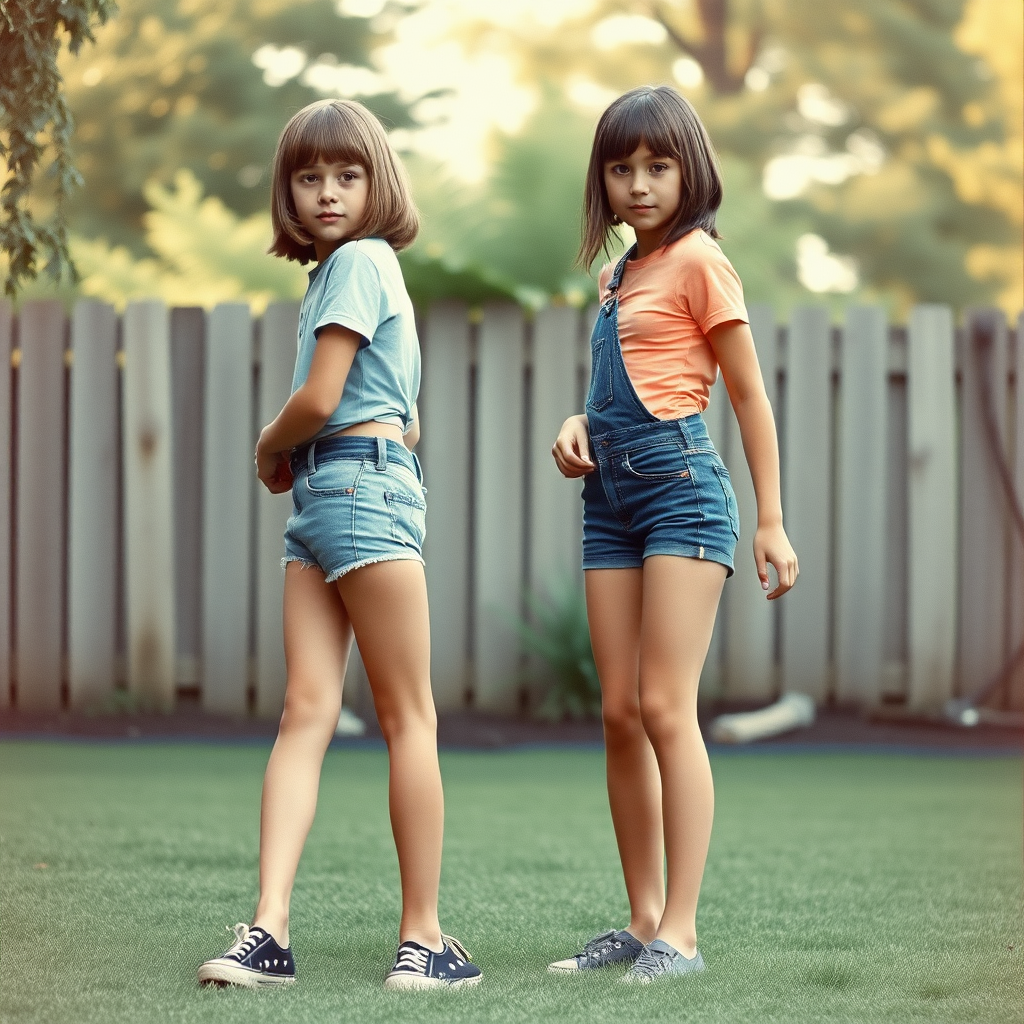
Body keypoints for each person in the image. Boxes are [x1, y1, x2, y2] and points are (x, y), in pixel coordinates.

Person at [197, 99, 481, 992]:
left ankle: (270, 930)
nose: (326, 192)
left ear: (377, 183)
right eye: (309, 177)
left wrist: (271, 447)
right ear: (288, 190)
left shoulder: (354, 265)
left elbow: (322, 403)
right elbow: (341, 400)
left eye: (346, 176)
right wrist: (287, 441)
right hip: (359, 490)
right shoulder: (353, 267)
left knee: (308, 714)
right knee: (405, 718)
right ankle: (422, 941)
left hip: (326, 492)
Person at [549, 85, 798, 984]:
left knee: (664, 708)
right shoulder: (618, 273)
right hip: (609, 502)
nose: (639, 183)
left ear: (690, 168)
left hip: (684, 497)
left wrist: (770, 518)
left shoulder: (700, 261)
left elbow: (747, 394)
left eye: (657, 165)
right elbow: (635, 378)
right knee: (618, 713)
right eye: (621, 168)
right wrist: (579, 425)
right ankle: (642, 918)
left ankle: (682, 937)